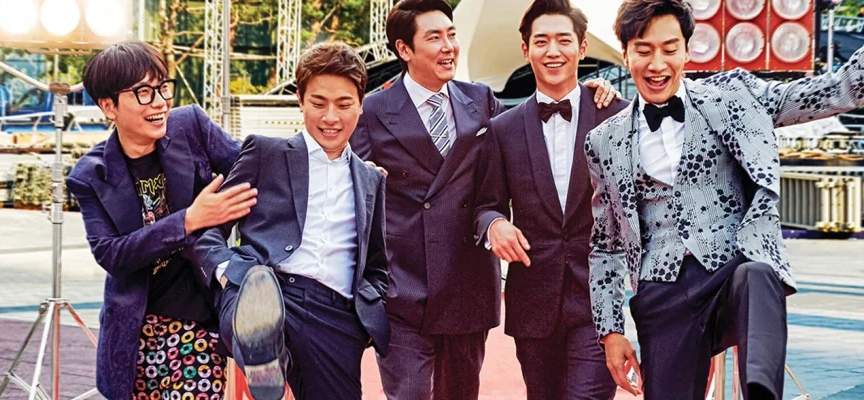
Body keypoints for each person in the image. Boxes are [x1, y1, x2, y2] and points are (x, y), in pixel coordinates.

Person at [586, 0, 864, 398]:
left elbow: (830, 91)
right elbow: (605, 244)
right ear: (626, 54)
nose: (657, 64)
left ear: (687, 50)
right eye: (644, 50)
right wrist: (610, 330)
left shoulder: (733, 96)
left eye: (669, 49)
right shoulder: (603, 141)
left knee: (758, 276)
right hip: (662, 296)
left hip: (729, 272)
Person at [351, 1, 619, 398]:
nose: (449, 47)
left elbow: (505, 166)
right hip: (403, 289)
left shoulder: (481, 101)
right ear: (404, 49)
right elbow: (354, 200)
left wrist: (595, 91)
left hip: (467, 287)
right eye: (434, 38)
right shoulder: (372, 111)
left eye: (452, 35)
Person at [194, 41, 390, 400]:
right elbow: (210, 228)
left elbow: (376, 264)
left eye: (344, 104)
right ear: (300, 100)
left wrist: (363, 317)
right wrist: (227, 274)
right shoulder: (265, 153)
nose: (331, 117)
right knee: (255, 297)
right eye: (318, 103)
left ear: (361, 104)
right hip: (266, 284)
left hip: (334, 313)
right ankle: (262, 356)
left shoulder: (371, 179)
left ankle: (269, 361)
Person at [66, 41, 256, 400]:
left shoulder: (191, 127)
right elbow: (112, 255)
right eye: (142, 92)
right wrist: (189, 220)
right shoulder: (91, 174)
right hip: (135, 333)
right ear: (108, 106)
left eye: (162, 87)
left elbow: (250, 170)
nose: (159, 102)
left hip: (198, 322)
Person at [473, 1, 626, 398]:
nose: (552, 51)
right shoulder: (502, 129)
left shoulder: (618, 117)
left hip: (599, 301)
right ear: (526, 50)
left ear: (582, 47)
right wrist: (495, 224)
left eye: (563, 40)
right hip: (533, 303)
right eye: (541, 42)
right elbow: (485, 205)